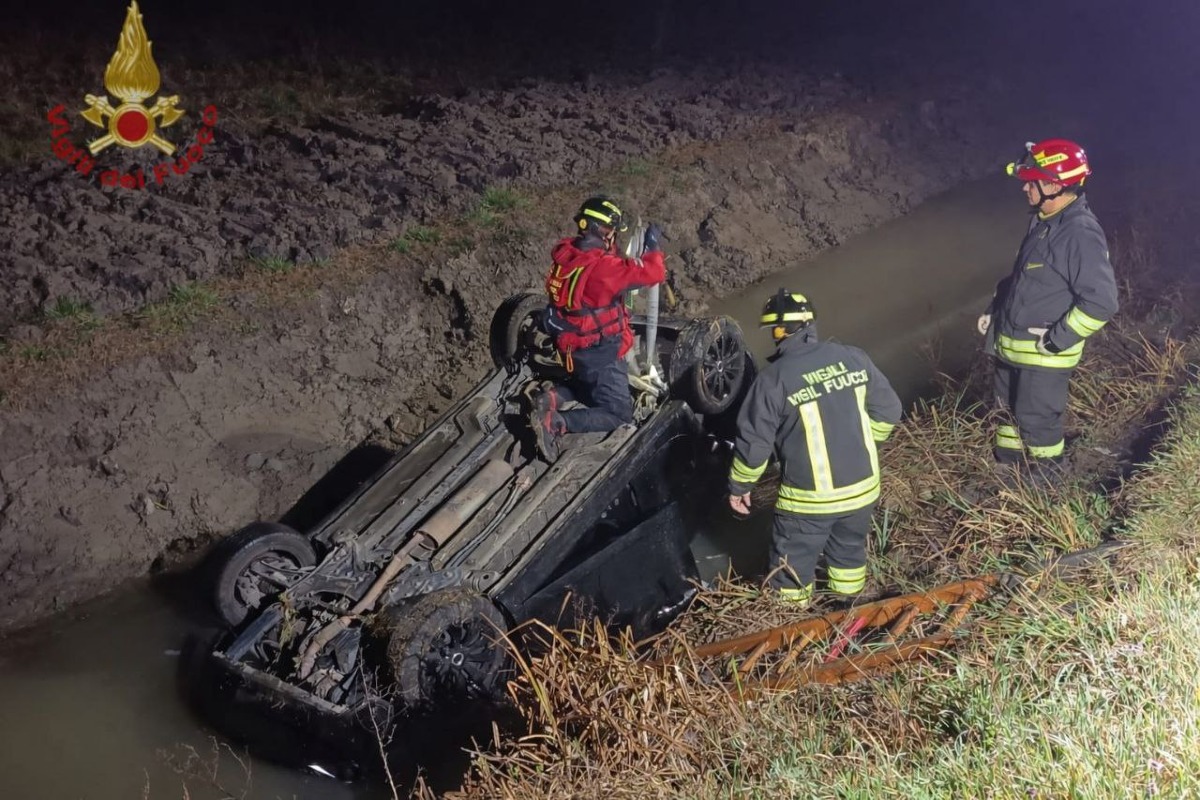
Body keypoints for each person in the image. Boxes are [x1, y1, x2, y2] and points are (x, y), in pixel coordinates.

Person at [727, 290, 902, 606]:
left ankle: (792, 622)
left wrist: (740, 487)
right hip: (863, 491)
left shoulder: (773, 380)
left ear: (780, 331)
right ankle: (848, 609)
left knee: (790, 571)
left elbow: (754, 445)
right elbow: (889, 410)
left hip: (809, 503)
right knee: (848, 554)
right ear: (810, 324)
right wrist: (864, 444)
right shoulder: (853, 357)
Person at [978, 139, 1118, 481]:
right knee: (1005, 414)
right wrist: (995, 309)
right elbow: (1027, 278)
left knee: (1037, 421)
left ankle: (1047, 482)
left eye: (1032, 181)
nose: (1025, 187)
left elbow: (1101, 302)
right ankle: (1007, 469)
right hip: (1011, 348)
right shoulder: (1045, 220)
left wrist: (1057, 340)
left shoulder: (1079, 233)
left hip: (1042, 357)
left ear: (1054, 185)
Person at [529, 196, 666, 462]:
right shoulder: (605, 268)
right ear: (601, 230)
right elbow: (654, 273)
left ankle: (552, 397)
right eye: (611, 230)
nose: (614, 235)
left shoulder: (567, 252)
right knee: (619, 414)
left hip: (572, 347)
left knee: (589, 385)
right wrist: (652, 245)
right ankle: (556, 422)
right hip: (601, 353)